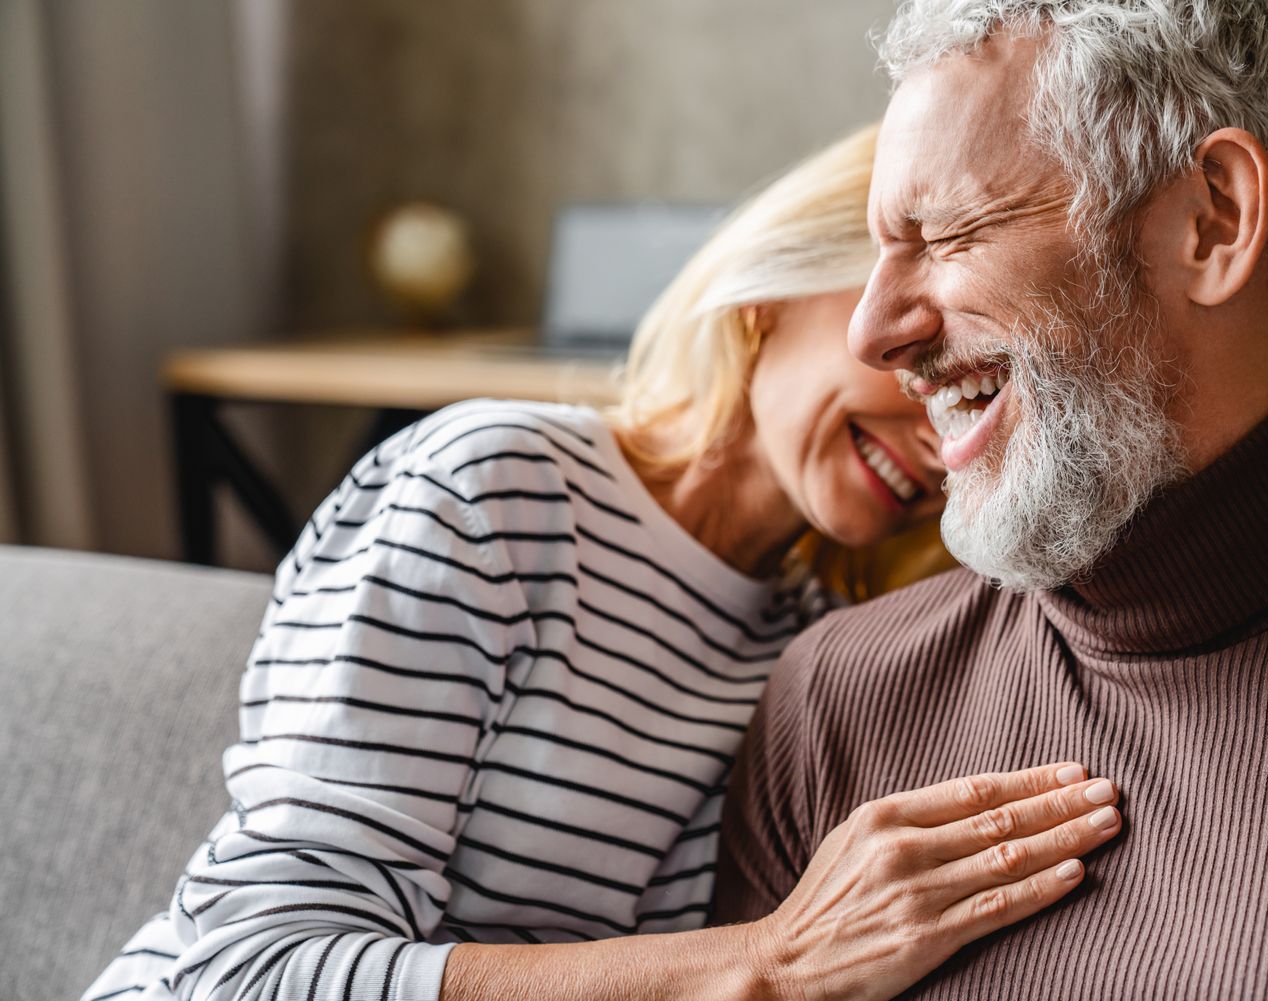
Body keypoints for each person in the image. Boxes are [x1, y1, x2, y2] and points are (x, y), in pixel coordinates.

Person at [81, 125, 1129, 1001]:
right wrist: (769, 962)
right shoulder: (495, 489)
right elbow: (252, 966)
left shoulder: (812, 645)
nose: (936, 425)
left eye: (979, 393)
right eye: (916, 357)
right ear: (777, 287)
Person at [715, 2, 1268, 999]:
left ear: (1213, 220)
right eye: (880, 249)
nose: (873, 331)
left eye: (947, 233)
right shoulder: (837, 701)